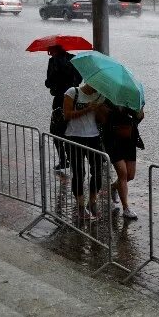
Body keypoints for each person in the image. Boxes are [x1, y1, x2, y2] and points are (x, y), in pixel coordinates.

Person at [63, 83, 105, 220]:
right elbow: (67, 115)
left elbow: (102, 119)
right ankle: (80, 206)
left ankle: (92, 202)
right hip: (74, 137)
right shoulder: (72, 92)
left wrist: (98, 109)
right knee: (79, 172)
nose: (97, 87)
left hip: (93, 137)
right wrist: (87, 109)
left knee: (98, 171)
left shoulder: (99, 96)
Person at [104, 101, 144, 220]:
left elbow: (139, 117)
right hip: (113, 142)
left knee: (130, 175)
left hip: (130, 141)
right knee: (123, 173)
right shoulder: (108, 100)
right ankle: (126, 208)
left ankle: (114, 187)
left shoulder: (132, 100)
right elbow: (103, 119)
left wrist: (139, 109)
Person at [45, 45, 82, 170]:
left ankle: (63, 159)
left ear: (54, 50)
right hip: (75, 98)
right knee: (72, 129)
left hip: (60, 99)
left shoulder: (53, 61)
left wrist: (52, 82)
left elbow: (49, 82)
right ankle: (75, 159)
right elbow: (79, 79)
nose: (48, 52)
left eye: (50, 50)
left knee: (56, 131)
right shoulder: (74, 59)